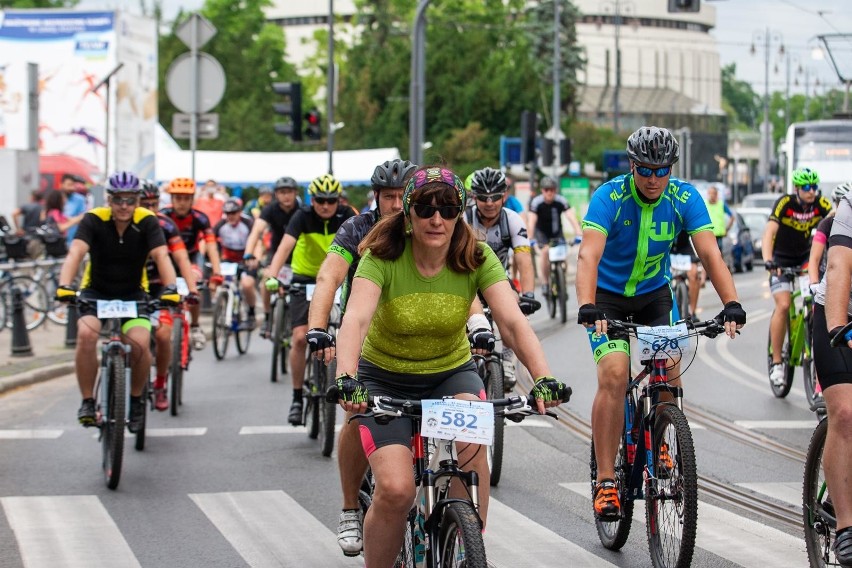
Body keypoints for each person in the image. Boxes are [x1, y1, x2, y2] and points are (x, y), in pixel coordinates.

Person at [332, 165, 569, 567]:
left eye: (448, 208)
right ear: (408, 213)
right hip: (384, 377)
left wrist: (542, 377)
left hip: (449, 372)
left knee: (473, 465)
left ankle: (466, 547)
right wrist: (346, 377)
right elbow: (354, 319)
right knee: (395, 489)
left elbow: (511, 321)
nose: (436, 219)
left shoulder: (476, 256)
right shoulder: (383, 254)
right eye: (425, 208)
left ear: (461, 212)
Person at [576, 126, 746, 521]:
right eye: (646, 170)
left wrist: (732, 303)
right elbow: (588, 256)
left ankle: (664, 437)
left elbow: (709, 253)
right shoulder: (609, 198)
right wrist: (587, 305)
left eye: (662, 170)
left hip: (655, 296)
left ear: (671, 169)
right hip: (608, 299)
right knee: (615, 375)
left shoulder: (684, 197)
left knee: (669, 371)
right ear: (632, 166)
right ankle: (605, 480)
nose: (654, 179)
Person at [304, 159, 416, 556]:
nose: (398, 205)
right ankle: (351, 506)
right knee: (356, 411)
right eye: (389, 197)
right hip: (366, 335)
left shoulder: (429, 224)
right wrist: (318, 326)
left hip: (422, 340)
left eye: (405, 197)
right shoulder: (356, 228)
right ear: (376, 198)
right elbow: (329, 277)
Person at [54, 171, 180, 432]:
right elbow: (76, 251)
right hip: (96, 292)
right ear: (109, 200)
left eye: (130, 200)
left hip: (133, 294)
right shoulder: (93, 219)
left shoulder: (147, 221)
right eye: (118, 200)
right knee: (86, 335)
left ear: (137, 201)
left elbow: (161, 256)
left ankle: (135, 401)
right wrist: (65, 286)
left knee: (141, 344)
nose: (124, 206)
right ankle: (88, 401)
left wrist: (170, 289)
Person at [265, 174, 356, 425]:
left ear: (339, 200)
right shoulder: (302, 216)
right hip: (305, 279)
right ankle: (296, 397)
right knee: (298, 337)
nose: (325, 205)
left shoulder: (348, 214)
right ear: (311, 199)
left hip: (339, 277)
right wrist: (273, 274)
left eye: (331, 200)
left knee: (354, 328)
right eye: (319, 200)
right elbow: (284, 247)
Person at [465, 166, 539, 390]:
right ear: (474, 197)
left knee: (513, 309)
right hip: (466, 279)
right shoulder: (463, 219)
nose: (490, 203)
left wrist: (528, 294)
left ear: (504, 196)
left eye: (495, 197)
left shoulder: (513, 220)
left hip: (497, 280)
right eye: (484, 198)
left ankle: (507, 360)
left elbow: (524, 259)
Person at [763, 167, 833, 387]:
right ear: (796, 188)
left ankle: (810, 342)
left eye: (814, 187)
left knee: (813, 300)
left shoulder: (821, 205)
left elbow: (833, 225)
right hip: (781, 262)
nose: (811, 191)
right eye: (806, 187)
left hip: (804, 260)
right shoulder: (785, 203)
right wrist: (768, 261)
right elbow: (769, 233)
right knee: (783, 305)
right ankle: (776, 362)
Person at [815, 189, 852, 568]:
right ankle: (846, 527)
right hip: (840, 316)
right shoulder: (851, 206)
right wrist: (840, 326)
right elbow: (839, 265)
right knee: (845, 413)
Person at [139, 180, 199, 411]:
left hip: (159, 286)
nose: (150, 209)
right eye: (145, 204)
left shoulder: (166, 225)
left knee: (164, 336)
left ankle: (161, 383)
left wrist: (192, 289)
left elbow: (182, 257)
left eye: (154, 204)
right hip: (133, 287)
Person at [161, 177, 224, 350]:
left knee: (194, 284)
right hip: (167, 259)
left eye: (186, 198)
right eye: (178, 198)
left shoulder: (200, 218)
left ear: (192, 200)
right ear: (172, 199)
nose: (181, 203)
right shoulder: (163, 216)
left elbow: (211, 246)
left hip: (191, 258)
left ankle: (195, 325)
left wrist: (217, 273)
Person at [243, 176, 301, 337]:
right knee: (267, 281)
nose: (286, 196)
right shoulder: (270, 209)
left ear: (295, 193)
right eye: (282, 192)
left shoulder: (302, 210)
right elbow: (256, 231)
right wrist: (249, 253)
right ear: (276, 195)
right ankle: (268, 317)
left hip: (298, 255)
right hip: (276, 254)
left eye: (289, 192)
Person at [527, 175, 583, 294]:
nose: (549, 192)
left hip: (557, 233)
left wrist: (578, 233)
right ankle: (545, 283)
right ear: (542, 190)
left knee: (563, 257)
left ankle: (561, 281)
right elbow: (531, 221)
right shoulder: (537, 202)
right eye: (546, 190)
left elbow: (571, 217)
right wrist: (530, 238)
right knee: (545, 252)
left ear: (555, 190)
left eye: (552, 189)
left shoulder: (560, 200)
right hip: (542, 234)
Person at [213, 198, 258, 329]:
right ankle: (223, 307)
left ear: (240, 212)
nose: (230, 216)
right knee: (217, 280)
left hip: (246, 258)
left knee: (247, 284)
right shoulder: (221, 224)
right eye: (227, 213)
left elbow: (258, 242)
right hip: (228, 258)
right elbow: (209, 241)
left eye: (233, 213)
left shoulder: (248, 223)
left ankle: (251, 314)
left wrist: (255, 259)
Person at [809, 182, 852, 287]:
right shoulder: (827, 224)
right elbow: (814, 258)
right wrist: (814, 283)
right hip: (829, 276)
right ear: (836, 204)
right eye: (840, 203)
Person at [61, 173, 88, 246]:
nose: (72, 188)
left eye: (73, 185)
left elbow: (84, 216)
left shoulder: (79, 199)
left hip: (74, 240)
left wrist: (68, 220)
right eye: (69, 185)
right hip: (58, 241)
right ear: (62, 184)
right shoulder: (57, 198)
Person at [704, 184, 734, 250]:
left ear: (717, 194)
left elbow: (732, 217)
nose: (712, 195)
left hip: (719, 236)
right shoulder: (704, 204)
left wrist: (727, 229)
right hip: (708, 235)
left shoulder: (721, 204)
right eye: (710, 193)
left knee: (718, 255)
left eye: (713, 193)